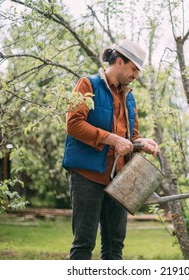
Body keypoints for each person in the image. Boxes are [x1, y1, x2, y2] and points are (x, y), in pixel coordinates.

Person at [62, 40, 159, 260]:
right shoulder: (87, 85)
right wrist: (111, 139)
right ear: (119, 62)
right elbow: (73, 124)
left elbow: (130, 138)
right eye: (134, 68)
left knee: (115, 248)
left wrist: (142, 143)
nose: (136, 75)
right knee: (83, 244)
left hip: (119, 181)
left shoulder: (129, 97)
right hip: (87, 177)